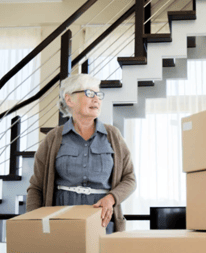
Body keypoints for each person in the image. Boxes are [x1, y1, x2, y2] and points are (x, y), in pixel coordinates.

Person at [26, 74, 136, 234]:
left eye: (98, 94)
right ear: (69, 99)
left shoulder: (113, 135)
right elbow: (36, 186)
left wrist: (111, 198)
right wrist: (32, 224)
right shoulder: (53, 138)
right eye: (90, 93)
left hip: (102, 222)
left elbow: (130, 178)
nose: (96, 99)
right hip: (60, 223)